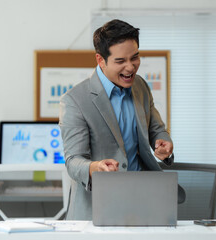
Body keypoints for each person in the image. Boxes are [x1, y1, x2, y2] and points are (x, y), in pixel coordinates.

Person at [59, 19, 178, 220]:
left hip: (142, 203)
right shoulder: (74, 100)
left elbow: (156, 129)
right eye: (120, 61)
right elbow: (73, 161)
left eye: (135, 57)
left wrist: (163, 142)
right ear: (100, 60)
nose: (131, 67)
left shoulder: (140, 86)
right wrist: (95, 167)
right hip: (97, 207)